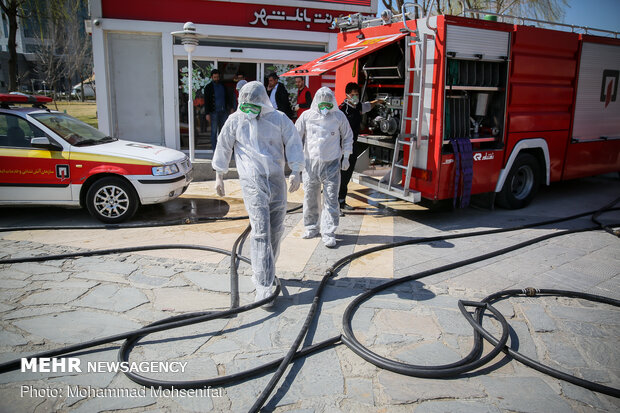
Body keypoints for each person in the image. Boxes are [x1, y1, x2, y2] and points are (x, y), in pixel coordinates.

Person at [212, 81, 304, 305]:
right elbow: (224, 145)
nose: (249, 109)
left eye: (253, 104)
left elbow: (293, 143)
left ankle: (266, 270)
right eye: (245, 104)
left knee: (276, 228)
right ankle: (263, 285)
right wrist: (219, 174)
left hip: (276, 180)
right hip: (252, 181)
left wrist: (297, 170)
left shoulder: (279, 119)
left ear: (263, 102)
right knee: (261, 230)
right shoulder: (235, 120)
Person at [296, 87, 353, 248]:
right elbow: (295, 136)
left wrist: (346, 155)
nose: (325, 107)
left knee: (331, 199)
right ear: (316, 102)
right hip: (310, 164)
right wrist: (295, 161)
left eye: (328, 104)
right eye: (323, 104)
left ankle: (328, 231)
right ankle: (311, 227)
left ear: (333, 102)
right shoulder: (306, 116)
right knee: (310, 196)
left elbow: (348, 136)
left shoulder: (338, 116)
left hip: (332, 163)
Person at [338, 82, 383, 213]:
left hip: (353, 146)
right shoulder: (342, 110)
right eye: (353, 95)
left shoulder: (358, 106)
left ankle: (341, 201)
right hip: (341, 147)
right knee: (339, 176)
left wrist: (378, 101)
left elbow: (368, 105)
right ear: (347, 95)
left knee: (347, 175)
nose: (355, 97)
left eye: (357, 94)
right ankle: (334, 204)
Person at [204, 69, 233, 150]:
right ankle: (215, 150)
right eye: (214, 77)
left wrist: (230, 108)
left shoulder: (223, 86)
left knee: (223, 132)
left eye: (217, 77)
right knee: (213, 132)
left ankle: (222, 150)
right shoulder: (208, 87)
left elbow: (227, 97)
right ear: (211, 77)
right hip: (213, 113)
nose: (216, 79)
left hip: (223, 112)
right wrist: (207, 114)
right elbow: (206, 101)